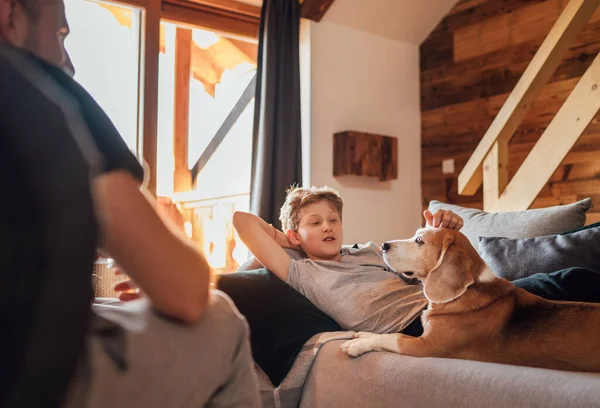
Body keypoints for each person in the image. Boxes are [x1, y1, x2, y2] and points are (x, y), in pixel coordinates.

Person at [0, 0, 260, 406]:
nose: (67, 62)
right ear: (9, 14)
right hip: (28, 380)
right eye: (59, 36)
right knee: (222, 318)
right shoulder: (43, 91)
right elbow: (187, 292)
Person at [234, 186, 600, 337]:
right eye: (316, 223)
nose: (329, 226)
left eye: (333, 219)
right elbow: (242, 221)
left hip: (448, 302)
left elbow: (426, 263)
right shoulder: (301, 270)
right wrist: (286, 242)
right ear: (298, 234)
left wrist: (444, 230)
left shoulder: (371, 251)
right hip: (417, 326)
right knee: (563, 284)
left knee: (570, 279)